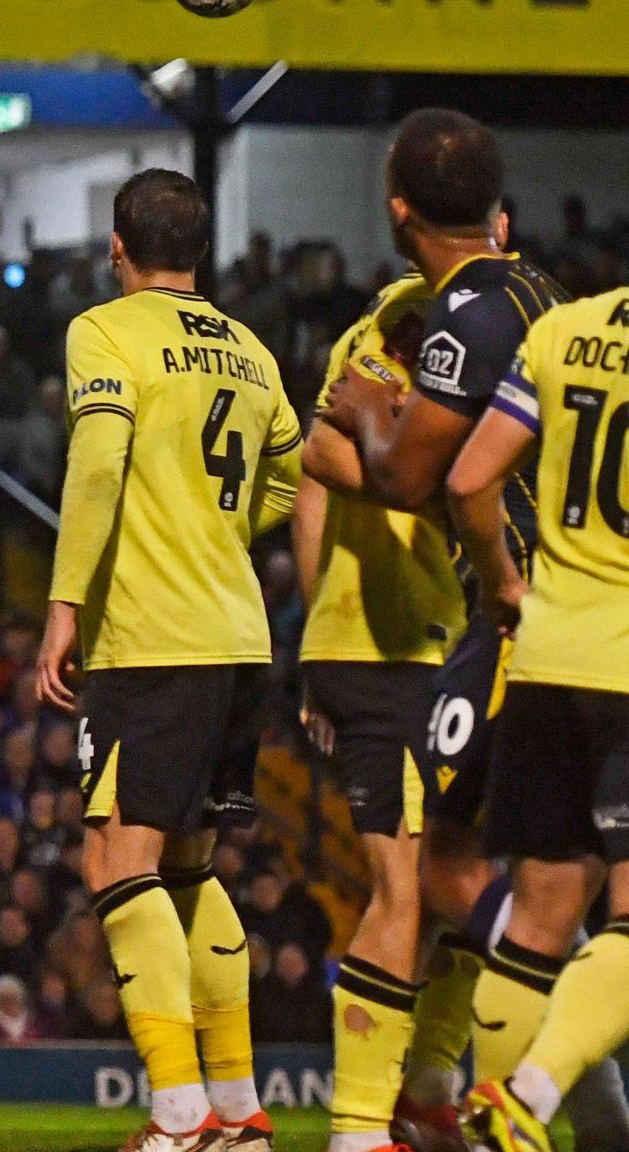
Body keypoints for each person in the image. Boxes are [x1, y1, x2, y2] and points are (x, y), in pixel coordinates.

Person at [317, 109, 627, 1152]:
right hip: (573, 617)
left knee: (450, 870)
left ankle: (564, 1095)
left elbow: (422, 476)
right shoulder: (543, 298)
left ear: (395, 208)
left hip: (530, 621)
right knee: (534, 881)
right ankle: (456, 1096)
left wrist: (357, 416)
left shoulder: (472, 311)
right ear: (496, 208)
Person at [33, 169, 301, 1152]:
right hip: (237, 633)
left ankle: (178, 1116)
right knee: (188, 870)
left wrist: (62, 604)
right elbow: (288, 467)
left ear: (116, 245)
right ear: (200, 250)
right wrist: (217, 529)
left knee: (116, 857)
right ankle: (238, 1113)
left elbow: (97, 461)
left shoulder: (104, 332)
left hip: (152, 636)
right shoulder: (249, 350)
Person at [295, 271, 466, 1152]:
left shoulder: (480, 330)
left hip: (452, 649)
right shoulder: (384, 334)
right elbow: (315, 464)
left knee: (461, 888)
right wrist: (321, 634)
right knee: (405, 891)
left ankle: (429, 1088)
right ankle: (360, 1127)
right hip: (387, 651)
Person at [456, 283, 629, 1152]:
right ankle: (529, 1092)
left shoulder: (566, 331)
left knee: (534, 922)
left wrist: (502, 583)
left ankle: (502, 1125)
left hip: (549, 659)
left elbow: (470, 478)